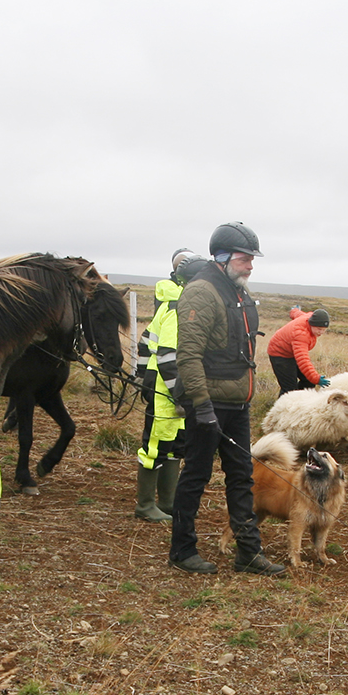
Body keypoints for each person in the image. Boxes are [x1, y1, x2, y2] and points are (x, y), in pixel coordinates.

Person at [167, 222, 285, 577]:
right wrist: (201, 406)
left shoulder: (237, 290)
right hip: (209, 405)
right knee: (197, 476)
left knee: (241, 478)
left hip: (238, 402)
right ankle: (182, 550)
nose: (251, 265)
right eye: (245, 258)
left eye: (252, 259)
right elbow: (188, 355)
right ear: (222, 257)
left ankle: (248, 553)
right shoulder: (202, 292)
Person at [132, 248, 193, 523]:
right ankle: (145, 505)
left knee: (175, 444)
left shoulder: (178, 306)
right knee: (155, 446)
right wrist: (178, 395)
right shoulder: (176, 310)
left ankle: (167, 502)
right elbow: (168, 357)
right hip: (167, 391)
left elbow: (145, 341)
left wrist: (139, 374)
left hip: (175, 389)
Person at [267, 306, 331, 393]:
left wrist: (294, 309)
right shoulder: (301, 335)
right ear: (312, 323)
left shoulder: (309, 317)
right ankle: (284, 405)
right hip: (279, 353)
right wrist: (316, 378)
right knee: (289, 389)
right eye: (319, 329)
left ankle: (300, 402)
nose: (321, 332)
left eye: (324, 330)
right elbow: (303, 360)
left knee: (308, 382)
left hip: (292, 352)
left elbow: (298, 314)